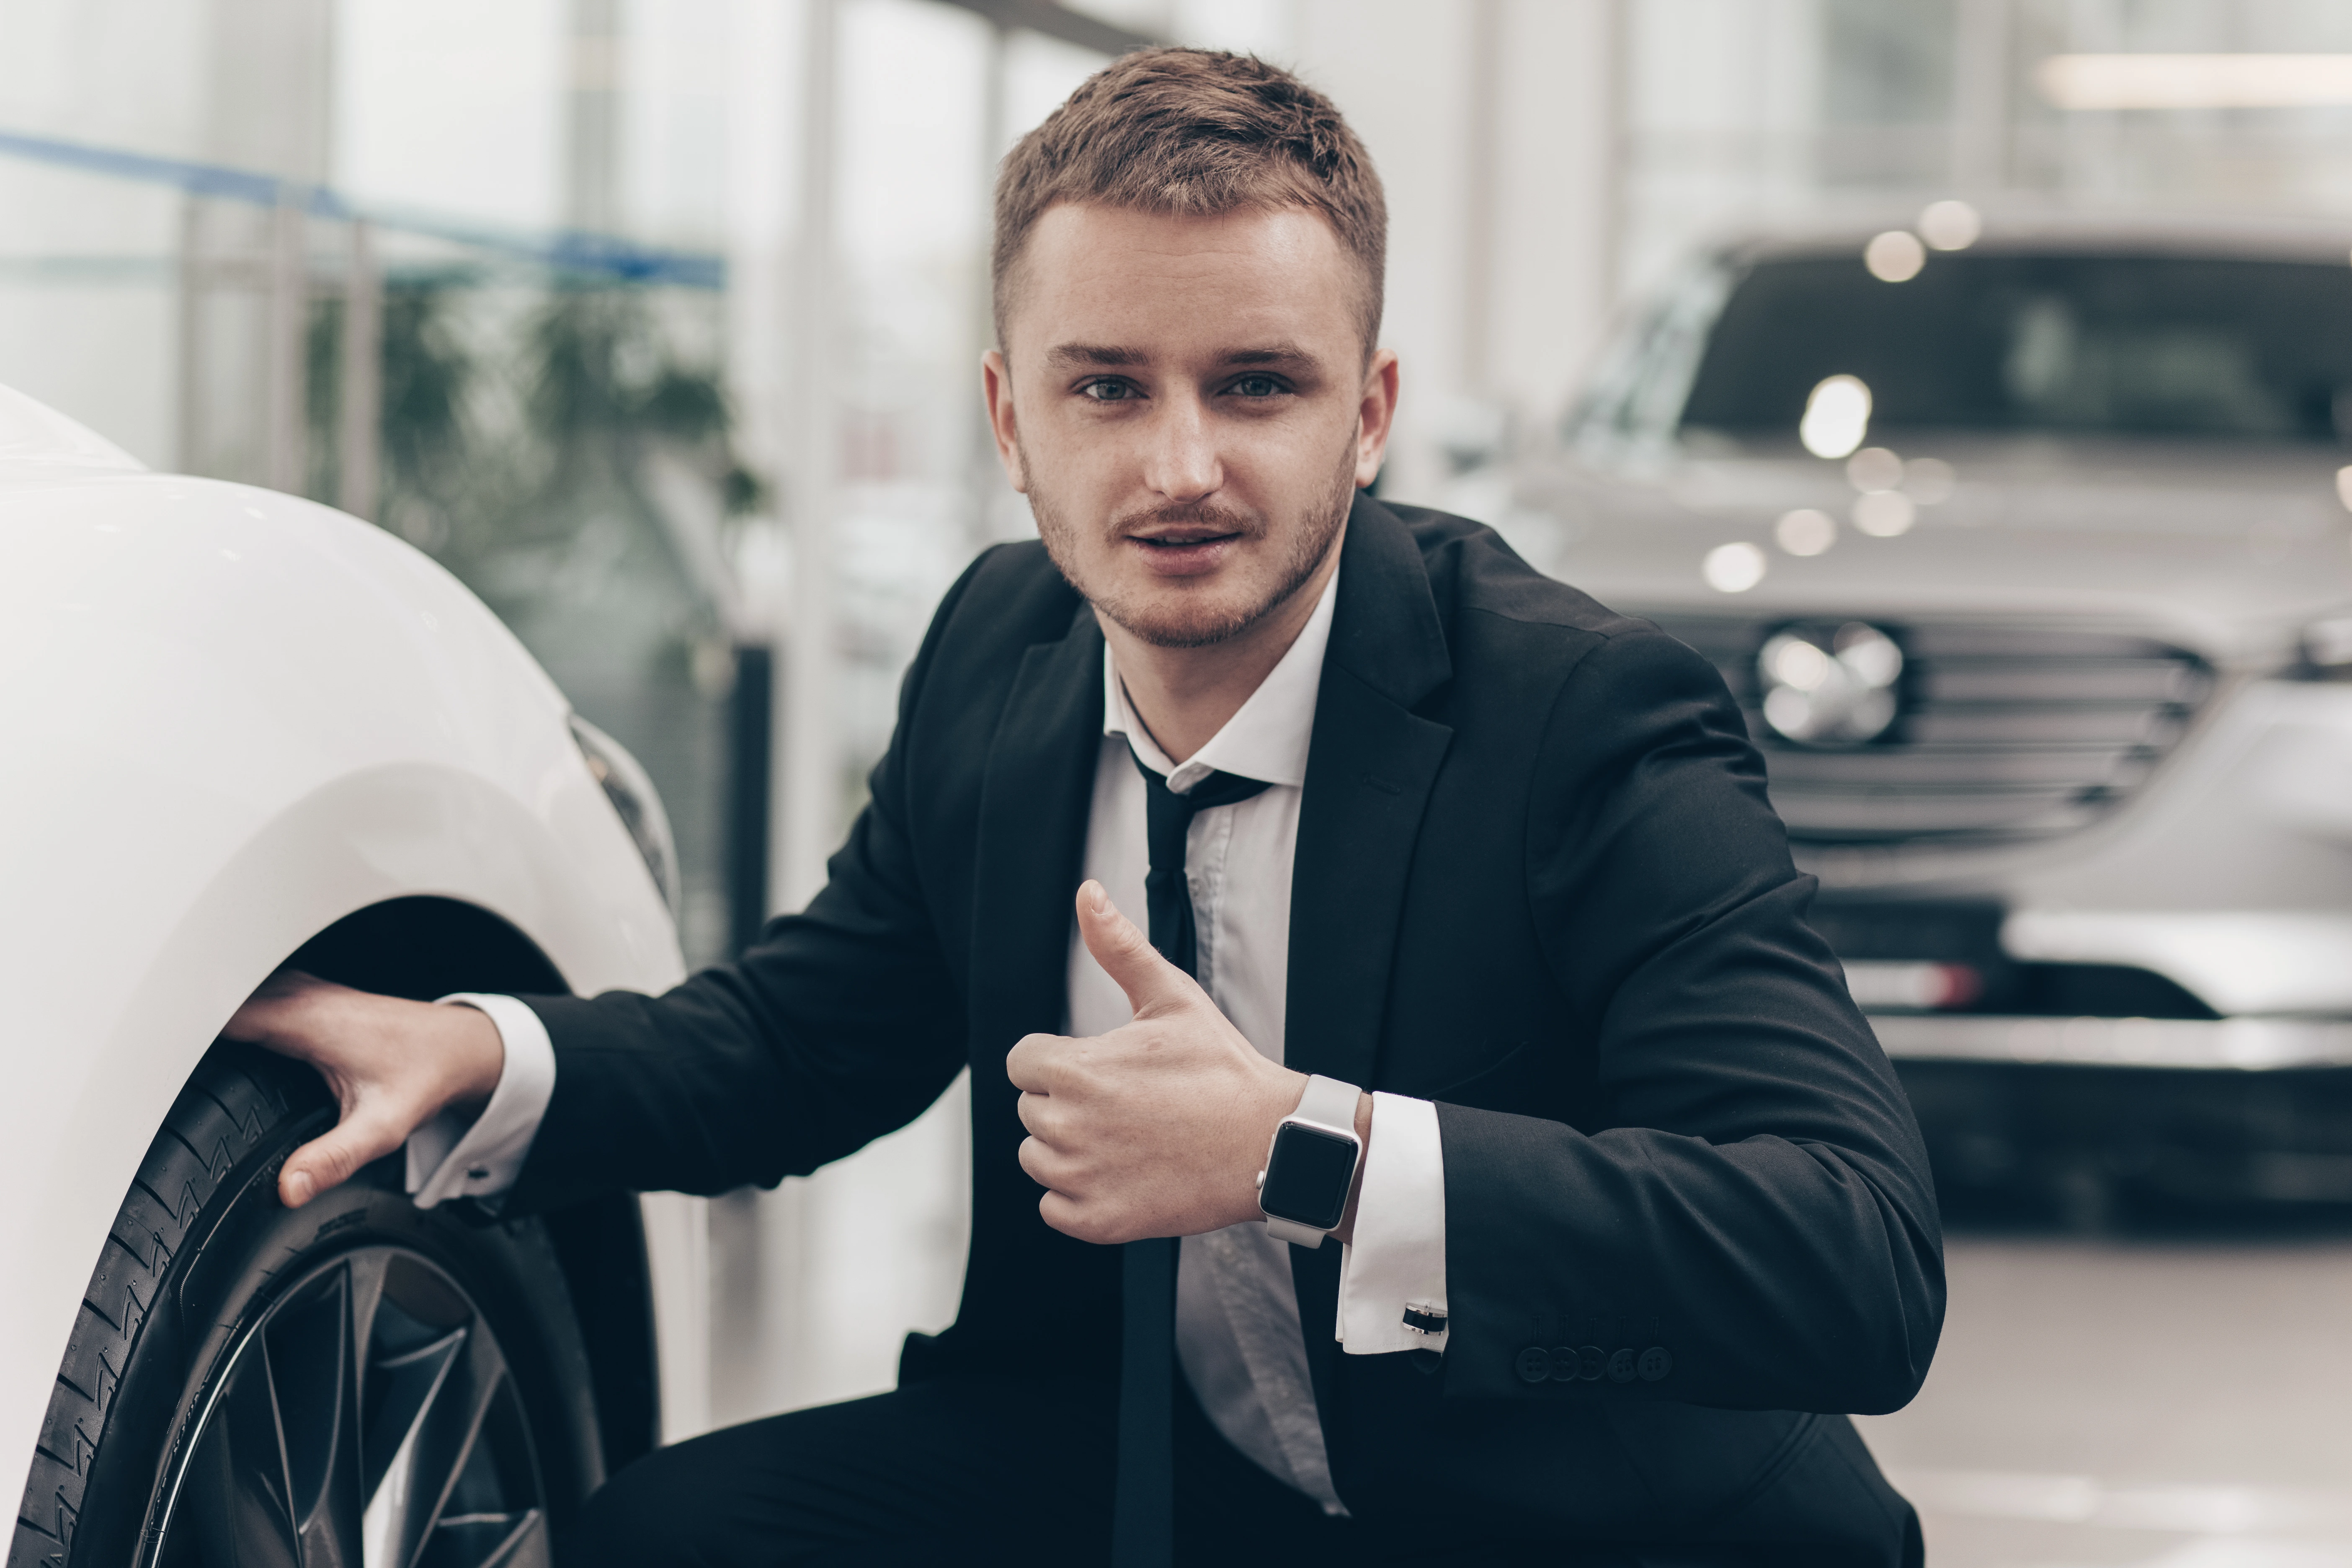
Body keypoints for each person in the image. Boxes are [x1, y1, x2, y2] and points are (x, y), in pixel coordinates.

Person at [228, 47, 1942, 1568]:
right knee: (663, 1540)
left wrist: (1297, 1148)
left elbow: (1852, 1258)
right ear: (1009, 417)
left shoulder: (1584, 718)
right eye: (1107, 386)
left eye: (1256, 385)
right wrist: (486, 1051)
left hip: (1564, 1510)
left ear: (1372, 415)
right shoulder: (999, 649)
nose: (1179, 466)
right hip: (1155, 1472)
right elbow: (809, 1038)